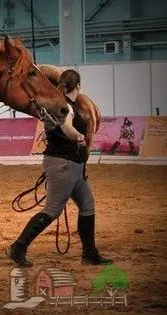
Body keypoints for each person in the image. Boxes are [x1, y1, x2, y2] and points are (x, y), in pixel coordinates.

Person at [7, 69, 112, 267]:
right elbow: (68, 127)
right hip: (62, 164)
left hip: (74, 166)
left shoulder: (66, 104)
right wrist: (79, 136)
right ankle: (18, 247)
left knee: (88, 205)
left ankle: (89, 253)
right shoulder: (66, 107)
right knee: (53, 210)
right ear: (78, 86)